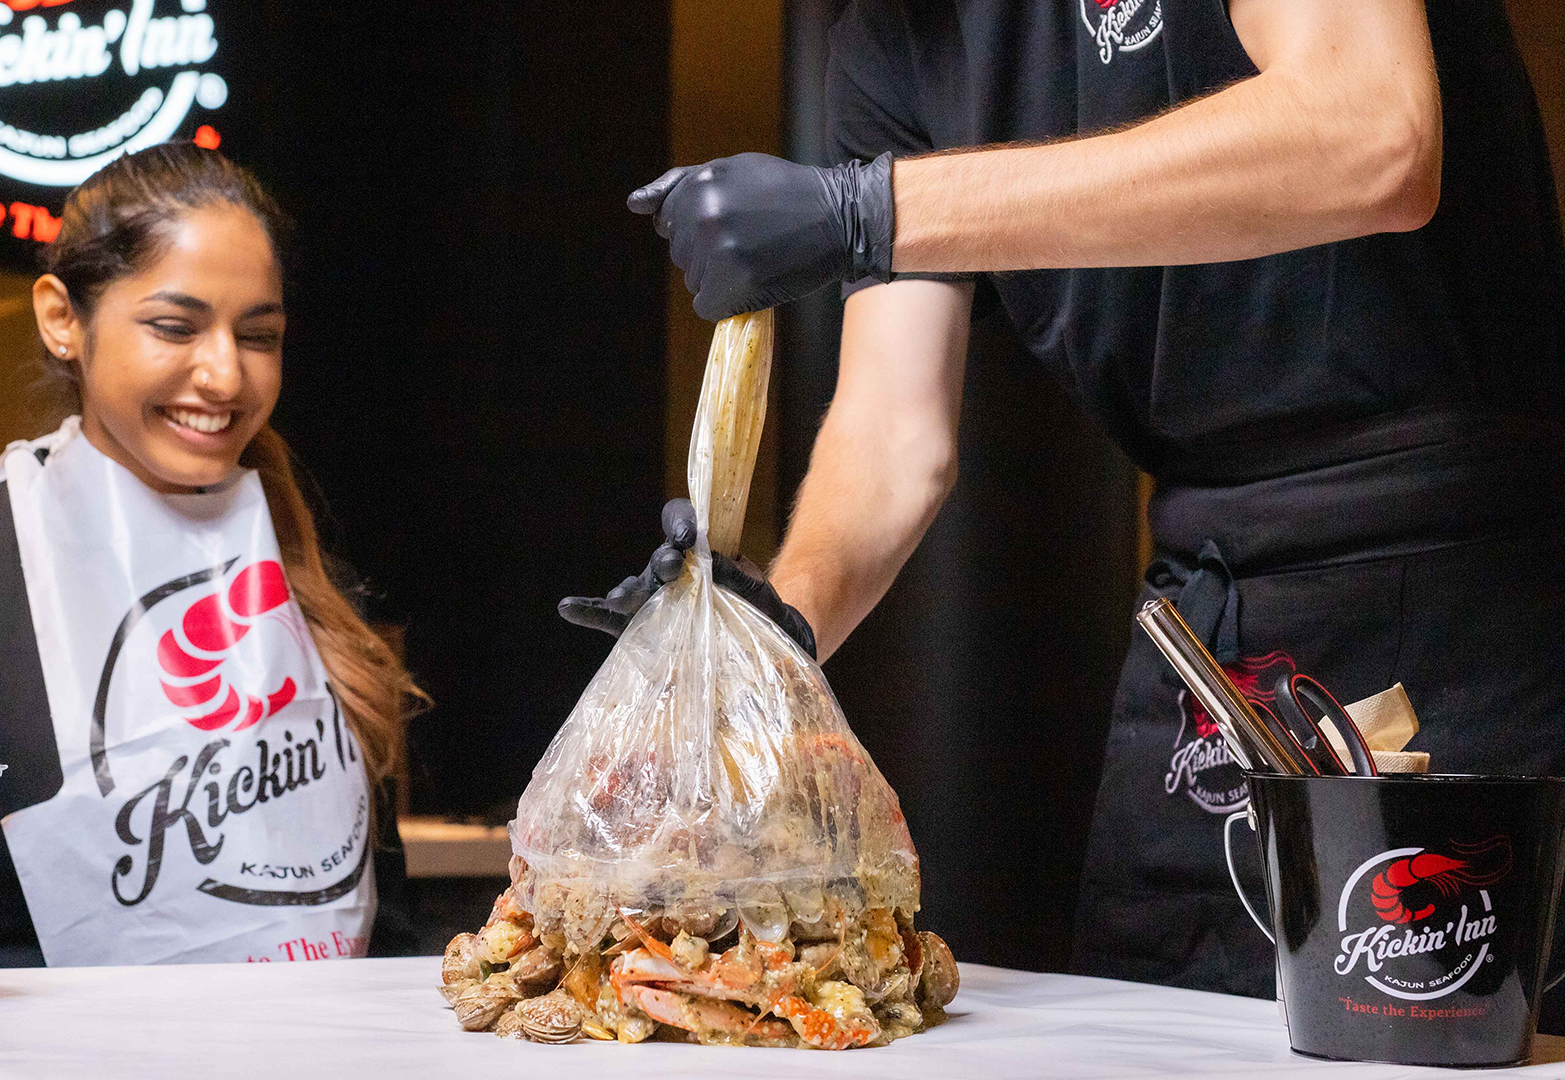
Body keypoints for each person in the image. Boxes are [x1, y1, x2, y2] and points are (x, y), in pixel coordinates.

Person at [565, 0, 1565, 999]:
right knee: (1146, 1039)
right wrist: (774, 631)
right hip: (1208, 628)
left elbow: (1374, 133)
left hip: (1460, 581)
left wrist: (871, 211)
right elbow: (894, 441)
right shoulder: (887, 45)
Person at [0, 143, 425, 972]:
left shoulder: (307, 579)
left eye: (259, 335)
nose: (224, 374)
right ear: (63, 318)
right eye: (174, 327)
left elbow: (388, 931)